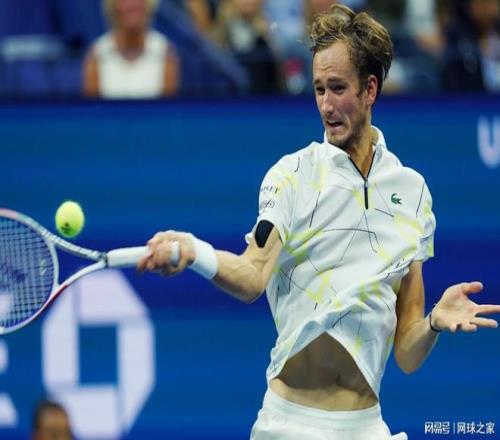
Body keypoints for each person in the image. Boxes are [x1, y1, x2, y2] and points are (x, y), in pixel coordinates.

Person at [138, 4, 500, 439]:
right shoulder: (292, 176)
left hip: (367, 426)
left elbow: (406, 351)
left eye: (338, 88)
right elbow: (252, 275)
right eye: (319, 89)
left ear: (370, 89)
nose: (326, 105)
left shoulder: (414, 192)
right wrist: (193, 251)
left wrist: (434, 324)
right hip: (290, 424)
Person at [82, 0, 179, 98]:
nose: (132, 5)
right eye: (125, 1)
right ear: (113, 7)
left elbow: (168, 105)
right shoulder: (96, 55)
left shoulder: (166, 53)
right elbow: (92, 106)